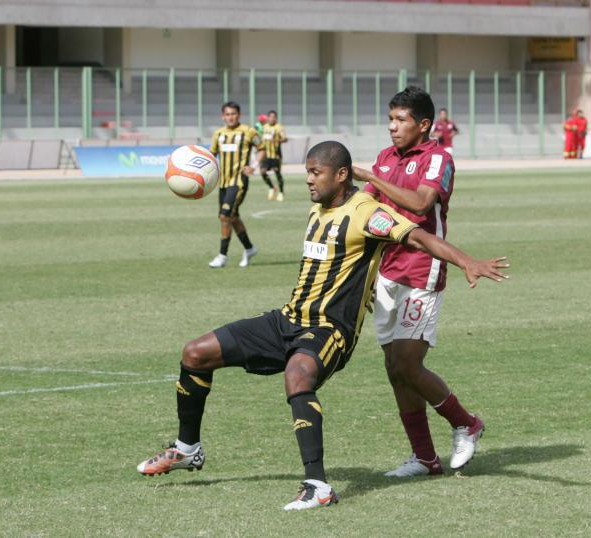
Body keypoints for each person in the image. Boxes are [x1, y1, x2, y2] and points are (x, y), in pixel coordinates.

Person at [136, 141, 509, 510]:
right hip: (288, 318)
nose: (309, 181)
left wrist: (466, 261)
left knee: (299, 374)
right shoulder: (319, 208)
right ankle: (187, 449)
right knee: (195, 353)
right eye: (308, 172)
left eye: (316, 172)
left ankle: (318, 486)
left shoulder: (367, 212)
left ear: (342, 174)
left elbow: (418, 236)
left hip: (330, 330)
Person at [352, 86, 485, 477]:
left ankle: (467, 423)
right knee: (395, 367)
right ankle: (425, 458)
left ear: (423, 124)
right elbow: (366, 202)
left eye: (401, 120)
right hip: (386, 269)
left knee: (409, 363)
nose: (392, 127)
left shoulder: (438, 157)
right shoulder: (384, 158)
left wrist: (371, 175)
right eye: (390, 119)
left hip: (421, 269)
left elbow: (422, 204)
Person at [207, 102, 265, 268]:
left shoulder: (248, 132)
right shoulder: (218, 134)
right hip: (223, 183)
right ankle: (249, 248)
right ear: (222, 116)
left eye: (233, 114)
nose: (230, 117)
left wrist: (253, 165)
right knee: (232, 217)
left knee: (225, 215)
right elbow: (212, 155)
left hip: (239, 181)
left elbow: (261, 148)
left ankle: (222, 256)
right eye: (227, 114)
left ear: (239, 115)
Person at [260, 110, 288, 201]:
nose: (272, 118)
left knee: (277, 172)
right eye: (270, 117)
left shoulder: (279, 128)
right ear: (267, 118)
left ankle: (281, 192)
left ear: (276, 118)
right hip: (266, 155)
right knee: (263, 172)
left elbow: (285, 139)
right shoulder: (264, 127)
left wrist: (276, 141)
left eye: (274, 117)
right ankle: (272, 187)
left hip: (276, 155)